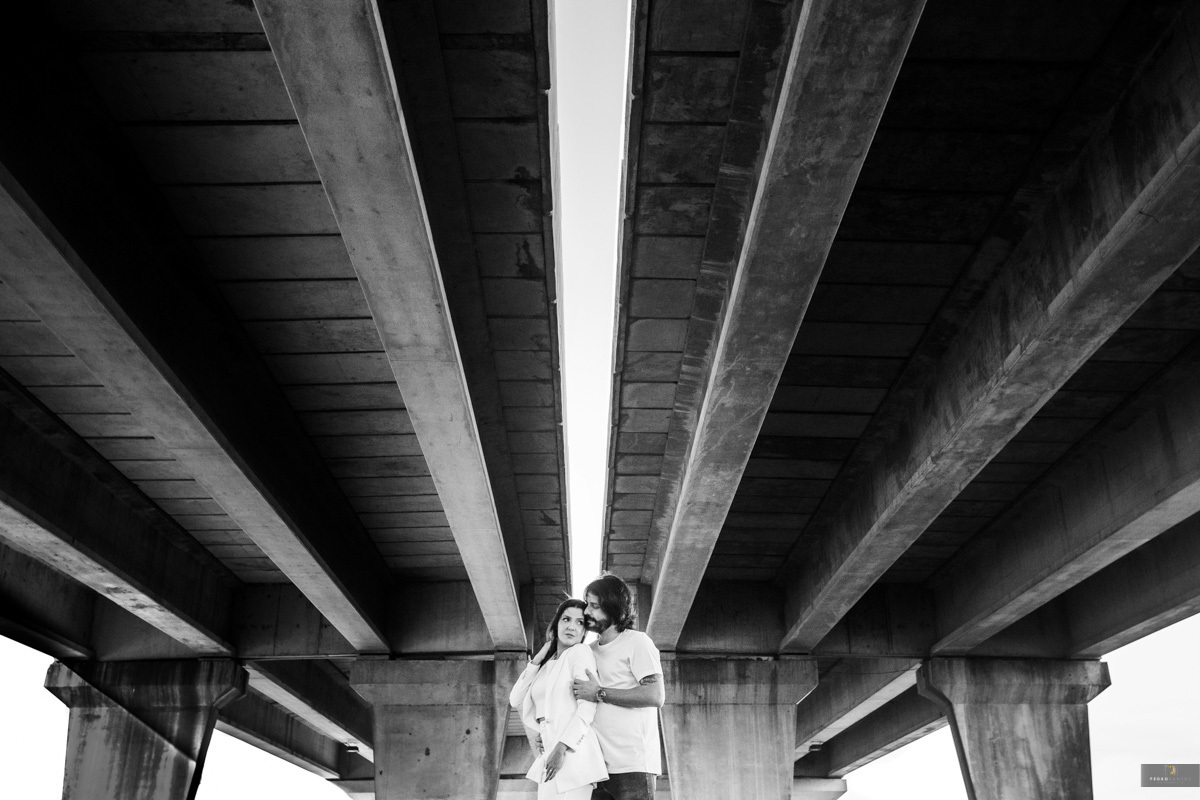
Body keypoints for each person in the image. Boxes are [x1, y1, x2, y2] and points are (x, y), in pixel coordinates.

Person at [571, 573, 665, 800]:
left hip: (633, 766)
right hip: (596, 768)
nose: (586, 612)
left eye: (594, 606)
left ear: (613, 608)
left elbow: (655, 695)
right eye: (587, 605)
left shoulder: (637, 642)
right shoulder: (587, 652)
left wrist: (599, 693)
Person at [510, 598, 609, 800]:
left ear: (584, 631)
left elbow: (588, 707)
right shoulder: (545, 665)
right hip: (549, 750)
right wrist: (537, 660)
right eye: (566, 619)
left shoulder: (580, 652)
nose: (571, 627)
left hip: (571, 753)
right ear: (556, 624)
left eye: (580, 622)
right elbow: (515, 699)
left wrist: (561, 748)